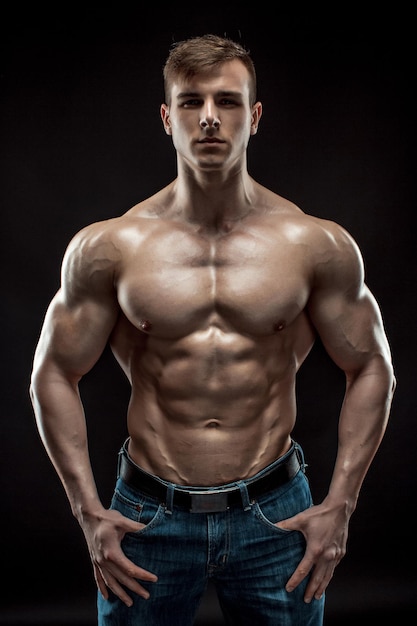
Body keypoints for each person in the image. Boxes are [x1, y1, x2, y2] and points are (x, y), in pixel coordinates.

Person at [30, 33, 396, 625]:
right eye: (190, 101)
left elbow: (372, 365)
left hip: (277, 516)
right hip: (147, 518)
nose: (208, 119)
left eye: (227, 102)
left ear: (254, 117)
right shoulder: (110, 246)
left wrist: (341, 505)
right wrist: (87, 512)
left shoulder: (314, 244)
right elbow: (52, 371)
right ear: (166, 117)